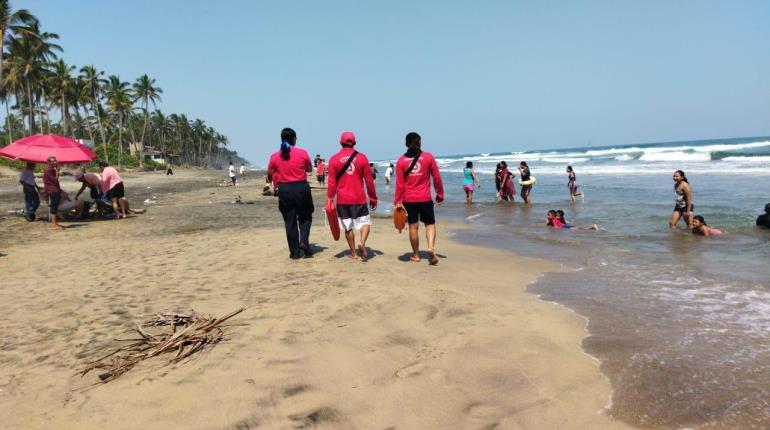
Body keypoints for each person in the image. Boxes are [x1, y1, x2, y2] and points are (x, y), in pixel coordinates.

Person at [394, 132, 444, 265]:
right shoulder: (428, 157)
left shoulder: (401, 161)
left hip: (409, 199)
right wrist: (440, 194)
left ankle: (416, 255)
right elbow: (437, 177)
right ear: (420, 142)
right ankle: (431, 248)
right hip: (425, 198)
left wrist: (398, 201)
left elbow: (399, 183)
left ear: (406, 144)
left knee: (413, 226)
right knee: (430, 224)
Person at [327, 131, 378, 260]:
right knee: (365, 222)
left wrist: (330, 198)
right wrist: (373, 198)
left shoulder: (334, 159)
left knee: (348, 227)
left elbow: (332, 182)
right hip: (359, 198)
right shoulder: (362, 158)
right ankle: (362, 242)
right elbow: (369, 180)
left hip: (343, 200)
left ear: (340, 142)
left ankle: (354, 253)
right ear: (354, 142)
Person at [267, 127, 314, 259]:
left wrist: (273, 183)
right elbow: (309, 169)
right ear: (294, 139)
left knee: (290, 221)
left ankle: (294, 253)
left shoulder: (275, 156)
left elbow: (270, 173)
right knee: (305, 217)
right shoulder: (303, 153)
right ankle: (304, 241)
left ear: (281, 139)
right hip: (301, 188)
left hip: (285, 191)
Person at [43, 156, 64, 229]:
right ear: (49, 162)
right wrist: (57, 171)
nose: (55, 162)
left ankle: (54, 223)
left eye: (55, 160)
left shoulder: (50, 169)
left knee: (55, 205)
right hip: (53, 190)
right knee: (54, 206)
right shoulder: (48, 170)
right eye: (53, 161)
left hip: (54, 189)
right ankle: (54, 224)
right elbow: (55, 180)